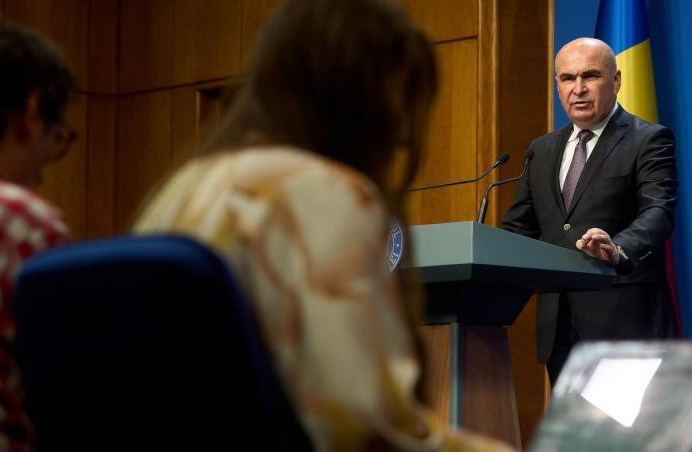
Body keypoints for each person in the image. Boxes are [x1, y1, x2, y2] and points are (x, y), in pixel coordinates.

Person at [135, 0, 512, 450]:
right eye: (401, 106)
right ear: (359, 102)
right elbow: (367, 430)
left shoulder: (181, 188)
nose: (403, 137)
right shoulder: (320, 192)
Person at [501, 37, 678, 386]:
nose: (578, 89)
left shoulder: (647, 140)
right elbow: (518, 229)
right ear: (557, 84)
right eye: (568, 78)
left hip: (623, 324)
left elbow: (658, 211)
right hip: (559, 328)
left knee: (620, 424)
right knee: (570, 424)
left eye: (590, 76)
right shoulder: (542, 150)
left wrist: (618, 248)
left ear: (616, 80)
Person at [0, 15, 76, 451]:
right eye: (57, 137)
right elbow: (76, 398)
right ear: (31, 110)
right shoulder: (19, 221)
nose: (43, 173)